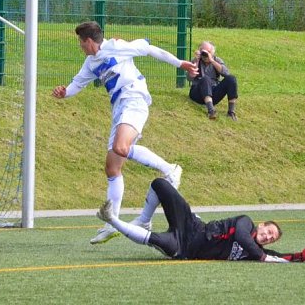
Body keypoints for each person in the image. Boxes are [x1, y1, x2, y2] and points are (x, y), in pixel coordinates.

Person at [52, 21, 198, 245]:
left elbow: (149, 49)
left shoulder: (117, 46)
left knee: (121, 148)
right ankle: (111, 223)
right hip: (119, 107)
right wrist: (64, 92)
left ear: (88, 41)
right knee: (112, 167)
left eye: (80, 42)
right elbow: (76, 85)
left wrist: (180, 64)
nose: (80, 46)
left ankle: (170, 169)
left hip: (134, 98)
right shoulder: (90, 63)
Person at [96, 178, 305, 263]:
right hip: (193, 225)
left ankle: (112, 219)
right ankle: (144, 219)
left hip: (185, 249)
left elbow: (279, 257)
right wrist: (262, 257)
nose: (268, 236)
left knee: (153, 240)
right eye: (269, 230)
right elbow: (242, 236)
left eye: (271, 238)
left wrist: (301, 256)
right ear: (261, 224)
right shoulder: (246, 222)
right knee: (160, 184)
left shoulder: (254, 252)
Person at [188, 41, 238, 120]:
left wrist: (212, 61)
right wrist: (196, 61)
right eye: (203, 51)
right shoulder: (195, 61)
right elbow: (189, 78)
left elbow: (226, 73)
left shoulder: (216, 60)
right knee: (205, 78)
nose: (205, 55)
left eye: (208, 52)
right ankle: (211, 111)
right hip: (197, 93)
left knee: (232, 79)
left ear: (212, 53)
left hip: (213, 93)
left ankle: (231, 112)